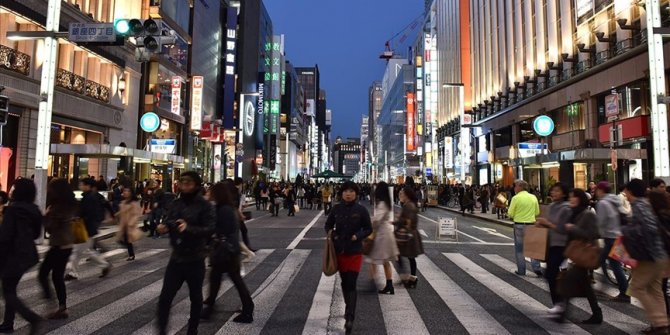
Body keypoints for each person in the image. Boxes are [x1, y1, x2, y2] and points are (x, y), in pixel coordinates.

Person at [156, 171, 215, 335]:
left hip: (195, 257)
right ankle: (162, 330)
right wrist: (164, 227)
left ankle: (192, 329)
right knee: (165, 297)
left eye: (188, 183)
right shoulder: (176, 203)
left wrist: (188, 228)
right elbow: (168, 219)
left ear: (196, 185)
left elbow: (210, 229)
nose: (184, 186)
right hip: (176, 257)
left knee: (195, 297)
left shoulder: (204, 205)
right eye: (182, 182)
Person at [201, 181, 254, 323]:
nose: (209, 193)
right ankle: (210, 308)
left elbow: (220, 230)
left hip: (225, 251)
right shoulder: (226, 208)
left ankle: (247, 309)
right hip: (228, 250)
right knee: (217, 279)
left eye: (211, 192)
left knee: (231, 280)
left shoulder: (223, 209)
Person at [324, 181, 372, 335]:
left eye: (351, 191)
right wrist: (334, 235)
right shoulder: (336, 208)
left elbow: (368, 228)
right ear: (342, 193)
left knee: (351, 283)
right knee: (345, 283)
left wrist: (357, 236)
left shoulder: (361, 210)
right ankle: (348, 307)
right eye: (346, 191)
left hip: (355, 251)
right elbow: (328, 225)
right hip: (340, 251)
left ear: (356, 194)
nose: (348, 194)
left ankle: (350, 317)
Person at [625, 179, 669, 334]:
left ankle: (660, 323)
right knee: (655, 290)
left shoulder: (639, 205)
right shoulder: (646, 204)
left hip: (649, 256)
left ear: (630, 191)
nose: (625, 195)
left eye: (626, 192)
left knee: (637, 288)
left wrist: (628, 231)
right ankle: (661, 323)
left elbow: (648, 229)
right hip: (659, 254)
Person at [0, 179, 44, 334]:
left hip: (12, 255)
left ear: (18, 191)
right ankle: (7, 323)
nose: (11, 190)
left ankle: (32, 318)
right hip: (28, 255)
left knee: (7, 291)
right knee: (10, 288)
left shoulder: (12, 210)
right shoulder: (35, 209)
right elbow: (37, 233)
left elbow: (5, 237)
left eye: (13, 187)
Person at [554, 188, 602, 324]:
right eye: (569, 197)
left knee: (568, 282)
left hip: (585, 253)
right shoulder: (574, 213)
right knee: (586, 286)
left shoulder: (588, 214)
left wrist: (572, 228)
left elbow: (594, 233)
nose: (570, 199)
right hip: (577, 254)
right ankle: (597, 314)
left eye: (573, 197)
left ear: (580, 198)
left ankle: (562, 313)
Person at [39, 178, 76, 319]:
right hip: (67, 245)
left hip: (59, 245)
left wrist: (46, 215)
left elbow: (50, 227)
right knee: (57, 276)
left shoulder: (57, 208)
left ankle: (54, 305)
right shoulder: (69, 205)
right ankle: (62, 307)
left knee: (43, 274)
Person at [535, 182, 571, 314]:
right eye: (553, 190)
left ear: (564, 193)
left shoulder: (566, 208)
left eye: (557, 191)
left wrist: (547, 223)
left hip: (562, 244)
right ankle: (558, 303)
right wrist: (541, 225)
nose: (554, 193)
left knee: (551, 273)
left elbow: (563, 229)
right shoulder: (551, 206)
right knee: (551, 274)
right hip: (552, 243)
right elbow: (550, 225)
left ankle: (560, 303)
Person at [66, 178, 111, 280]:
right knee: (87, 251)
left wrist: (79, 219)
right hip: (88, 228)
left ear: (88, 186)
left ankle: (73, 273)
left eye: (82, 185)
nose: (80, 187)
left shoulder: (90, 198)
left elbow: (90, 214)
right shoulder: (88, 197)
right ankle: (105, 265)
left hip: (86, 229)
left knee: (77, 251)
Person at [594, 181, 630, 302]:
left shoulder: (603, 203)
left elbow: (601, 221)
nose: (595, 192)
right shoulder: (615, 199)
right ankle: (604, 287)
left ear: (601, 190)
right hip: (619, 236)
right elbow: (625, 213)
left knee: (611, 263)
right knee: (611, 263)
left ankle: (624, 293)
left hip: (610, 238)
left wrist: (596, 231)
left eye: (597, 190)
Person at [365, 182, 399, 294]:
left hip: (381, 236)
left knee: (372, 258)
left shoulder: (382, 204)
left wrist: (369, 222)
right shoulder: (387, 203)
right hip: (386, 234)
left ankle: (372, 282)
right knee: (385, 261)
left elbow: (377, 220)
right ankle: (389, 285)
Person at [508, 179, 542, 277]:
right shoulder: (533, 197)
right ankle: (537, 268)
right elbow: (537, 212)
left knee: (519, 249)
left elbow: (510, 213)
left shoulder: (515, 198)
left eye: (515, 186)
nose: (514, 188)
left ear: (520, 187)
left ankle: (521, 270)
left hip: (519, 225)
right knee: (533, 248)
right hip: (531, 225)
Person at [395, 186, 423, 288]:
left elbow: (408, 221)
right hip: (410, 234)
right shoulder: (408, 204)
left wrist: (399, 223)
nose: (399, 195)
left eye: (401, 194)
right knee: (409, 257)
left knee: (401, 255)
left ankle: (409, 278)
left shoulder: (409, 206)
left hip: (409, 235)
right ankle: (411, 278)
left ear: (407, 195)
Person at [116, 186, 142, 261]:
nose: (125, 192)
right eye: (124, 191)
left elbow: (136, 214)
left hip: (129, 224)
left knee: (128, 240)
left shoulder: (133, 203)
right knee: (120, 239)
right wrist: (116, 215)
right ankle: (131, 251)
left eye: (127, 191)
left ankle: (131, 255)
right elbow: (121, 212)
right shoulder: (123, 202)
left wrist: (131, 223)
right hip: (123, 223)